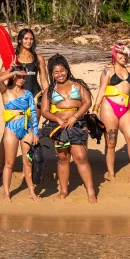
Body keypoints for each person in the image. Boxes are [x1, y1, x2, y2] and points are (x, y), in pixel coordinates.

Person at [40, 54, 97, 203]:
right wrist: (57, 119)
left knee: (80, 157)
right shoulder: (50, 90)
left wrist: (75, 117)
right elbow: (45, 111)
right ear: (52, 74)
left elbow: (87, 102)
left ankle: (90, 190)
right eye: (56, 72)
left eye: (62, 71)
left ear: (67, 69)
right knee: (63, 158)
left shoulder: (77, 84)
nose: (60, 74)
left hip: (77, 124)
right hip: (58, 127)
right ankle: (64, 190)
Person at [0, 29, 48, 180]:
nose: (29, 41)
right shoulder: (13, 58)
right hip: (16, 98)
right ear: (19, 40)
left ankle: (28, 171)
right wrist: (11, 68)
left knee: (30, 131)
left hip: (34, 97)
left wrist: (46, 94)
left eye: (31, 39)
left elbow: (43, 79)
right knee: (8, 132)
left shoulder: (38, 58)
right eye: (25, 38)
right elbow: (0, 78)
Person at [92, 44, 130, 182]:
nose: (123, 57)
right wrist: (95, 110)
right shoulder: (107, 72)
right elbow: (101, 90)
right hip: (109, 107)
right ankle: (111, 173)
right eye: (120, 54)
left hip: (127, 108)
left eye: (125, 55)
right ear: (114, 56)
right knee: (111, 142)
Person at [0, 64, 40, 203]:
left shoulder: (27, 93)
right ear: (14, 77)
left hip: (26, 128)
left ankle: (31, 192)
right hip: (11, 129)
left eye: (24, 77)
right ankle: (6, 193)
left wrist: (36, 133)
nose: (22, 80)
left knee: (27, 162)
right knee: (9, 163)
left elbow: (33, 112)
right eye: (19, 77)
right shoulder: (6, 91)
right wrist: (12, 71)